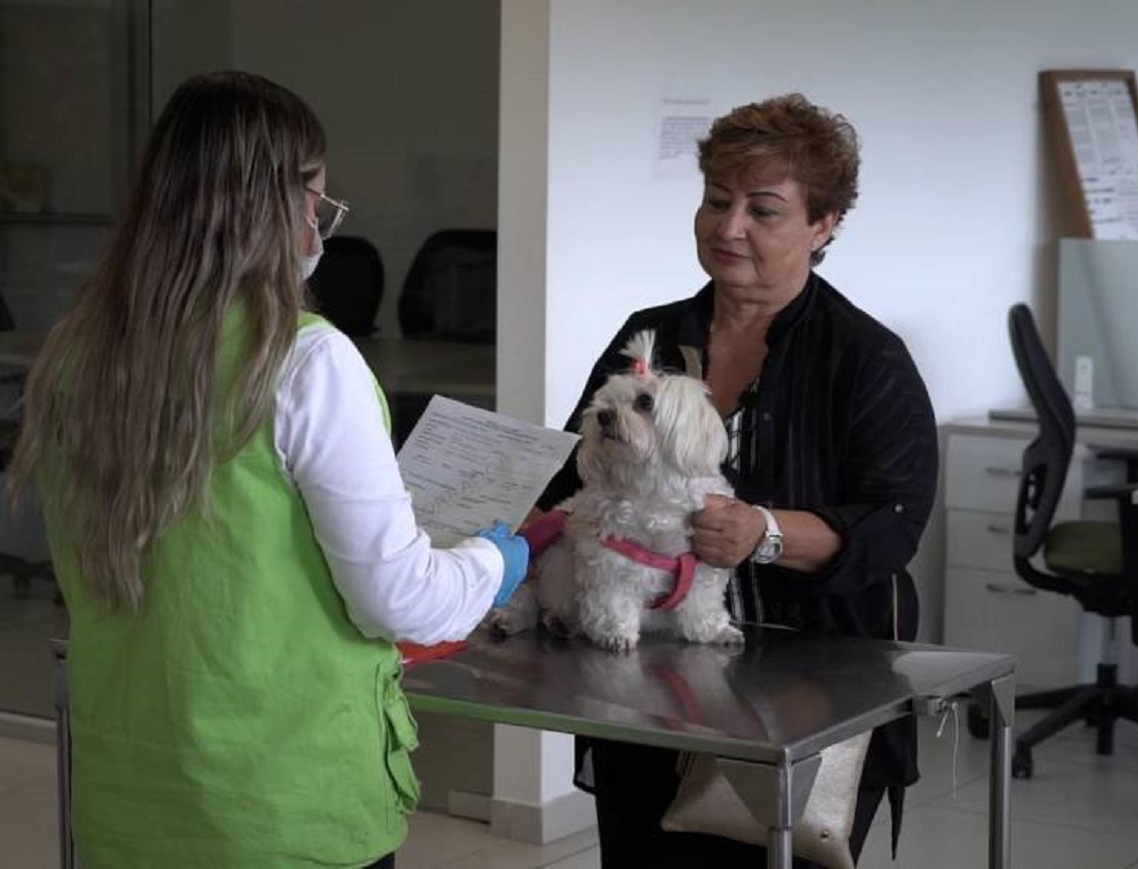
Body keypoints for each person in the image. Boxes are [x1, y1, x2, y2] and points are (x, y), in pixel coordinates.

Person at [7, 71, 528, 869]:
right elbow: (404, 600)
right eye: (317, 199)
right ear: (275, 203)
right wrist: (496, 559)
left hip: (130, 805)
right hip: (284, 808)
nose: (318, 222)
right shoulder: (304, 360)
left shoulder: (80, 350)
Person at [537, 93, 938, 867]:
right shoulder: (649, 338)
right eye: (716, 201)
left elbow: (891, 523)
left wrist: (766, 532)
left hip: (810, 689)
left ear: (824, 226)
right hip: (648, 681)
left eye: (764, 210)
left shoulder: (865, 359)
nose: (729, 228)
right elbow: (569, 478)